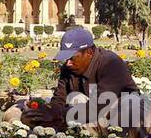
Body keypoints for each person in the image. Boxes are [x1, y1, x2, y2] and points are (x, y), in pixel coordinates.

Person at [8, 26, 139, 131]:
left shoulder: (111, 63)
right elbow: (59, 100)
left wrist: (58, 115)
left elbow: (98, 107)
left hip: (124, 111)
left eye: (72, 57)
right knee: (74, 100)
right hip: (90, 111)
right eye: (66, 58)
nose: (67, 63)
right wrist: (46, 112)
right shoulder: (69, 67)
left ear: (89, 53)